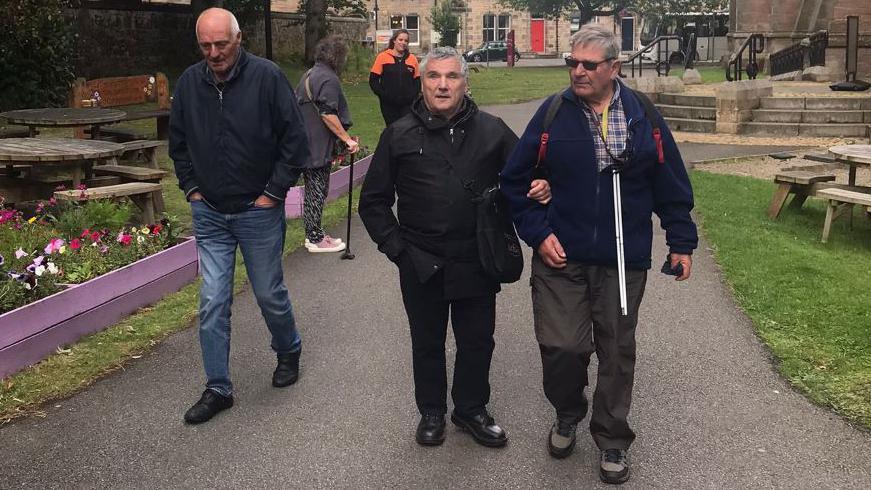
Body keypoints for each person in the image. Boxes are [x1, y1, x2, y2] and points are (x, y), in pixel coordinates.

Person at [500, 24, 698, 484]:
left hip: (623, 260)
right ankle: (568, 411)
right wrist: (536, 231)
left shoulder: (642, 114)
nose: (579, 71)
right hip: (561, 257)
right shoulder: (553, 114)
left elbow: (670, 185)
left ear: (614, 67)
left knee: (616, 351)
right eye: (573, 63)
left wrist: (681, 241)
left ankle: (611, 438)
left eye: (590, 64)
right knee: (561, 346)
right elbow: (515, 181)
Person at [359, 47, 551, 448]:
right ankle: (431, 412)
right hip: (420, 258)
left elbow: (525, 178)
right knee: (427, 341)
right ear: (422, 82)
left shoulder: (492, 130)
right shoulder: (399, 134)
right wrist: (398, 251)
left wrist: (543, 183)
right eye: (433, 77)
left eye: (452, 77)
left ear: (465, 82)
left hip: (476, 257)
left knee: (477, 340)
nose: (442, 85)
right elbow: (373, 202)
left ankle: (471, 409)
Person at [169, 8, 310, 424]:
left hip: (257, 210)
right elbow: (177, 143)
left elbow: (295, 142)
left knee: (268, 293)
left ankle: (288, 349)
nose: (214, 53)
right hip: (210, 211)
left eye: (221, 44)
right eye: (206, 46)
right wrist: (191, 190)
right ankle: (218, 387)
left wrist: (272, 193)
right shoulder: (190, 84)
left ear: (239, 38)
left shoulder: (266, 78)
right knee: (213, 300)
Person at [297, 35, 359, 253]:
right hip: (317, 145)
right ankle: (315, 238)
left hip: (303, 141)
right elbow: (327, 113)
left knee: (314, 189)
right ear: (338, 57)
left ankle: (314, 233)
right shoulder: (328, 79)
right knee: (316, 190)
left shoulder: (310, 74)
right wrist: (346, 139)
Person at [369, 29, 420, 125]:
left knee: (406, 129)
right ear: (394, 40)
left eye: (406, 41)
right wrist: (384, 95)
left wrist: (412, 97)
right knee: (392, 129)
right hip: (388, 104)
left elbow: (417, 82)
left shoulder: (412, 59)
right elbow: (373, 81)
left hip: (407, 104)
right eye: (400, 40)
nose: (403, 43)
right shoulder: (382, 57)